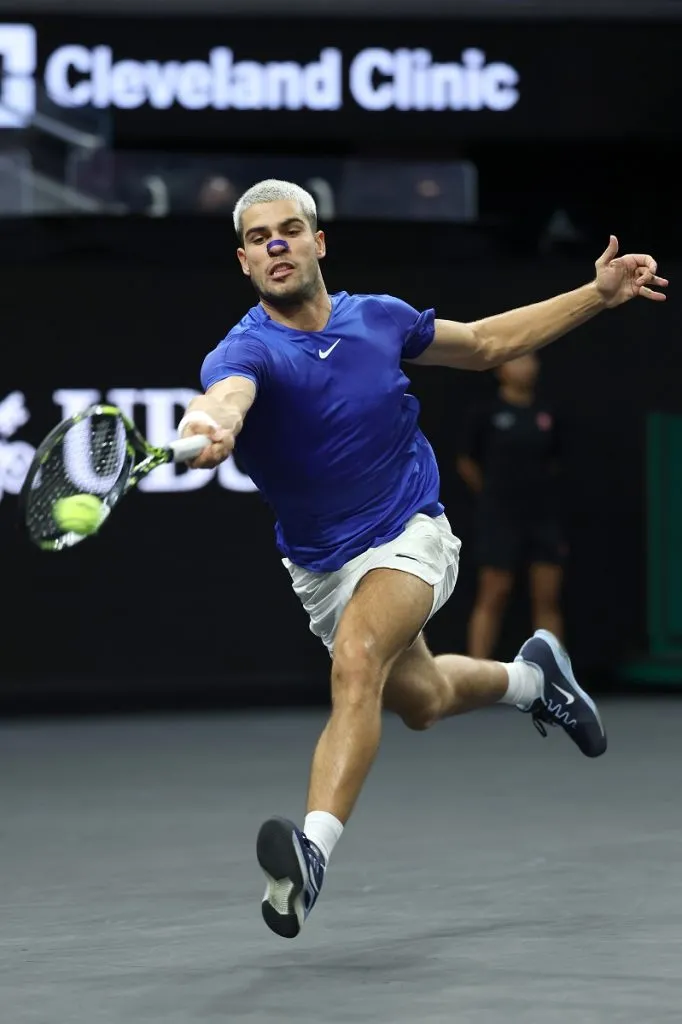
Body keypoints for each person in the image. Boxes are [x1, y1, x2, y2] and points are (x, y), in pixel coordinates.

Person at [177, 179, 667, 940]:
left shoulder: (379, 318)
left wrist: (598, 295)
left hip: (411, 531)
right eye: (259, 237)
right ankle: (535, 678)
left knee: (359, 659)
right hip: (322, 569)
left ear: (318, 243)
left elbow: (487, 344)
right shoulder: (244, 350)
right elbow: (225, 399)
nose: (277, 244)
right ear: (243, 260)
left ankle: (311, 854)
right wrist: (210, 424)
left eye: (291, 229)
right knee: (424, 700)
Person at [457, 352, 566, 660]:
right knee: (494, 593)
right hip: (499, 516)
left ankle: (555, 678)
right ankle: (477, 674)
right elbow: (466, 462)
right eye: (517, 360)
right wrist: (492, 494)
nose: (526, 366)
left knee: (547, 598)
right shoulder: (485, 412)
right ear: (499, 369)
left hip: (542, 516)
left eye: (531, 359)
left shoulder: (548, 413)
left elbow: (557, 461)